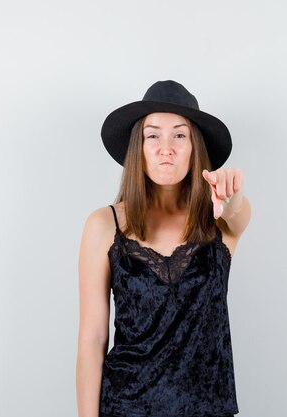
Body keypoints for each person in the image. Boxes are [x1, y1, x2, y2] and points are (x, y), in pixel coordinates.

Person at [76, 80, 251, 417]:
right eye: (153, 135)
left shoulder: (219, 222)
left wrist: (231, 194)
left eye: (179, 135)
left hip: (208, 409)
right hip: (126, 407)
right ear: (137, 147)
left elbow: (237, 212)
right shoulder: (104, 224)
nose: (165, 147)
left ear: (195, 147)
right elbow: (92, 339)